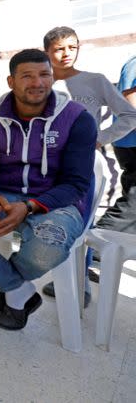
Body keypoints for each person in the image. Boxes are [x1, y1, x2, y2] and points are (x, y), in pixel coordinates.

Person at [0, 49, 96, 330]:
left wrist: (31, 206)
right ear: (11, 81)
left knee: (52, 238)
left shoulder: (77, 119)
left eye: (45, 75)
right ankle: (18, 289)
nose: (38, 83)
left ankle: (9, 285)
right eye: (27, 76)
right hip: (4, 195)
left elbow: (76, 183)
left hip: (57, 201)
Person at [40, 26, 136, 300]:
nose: (66, 53)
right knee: (53, 222)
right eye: (59, 48)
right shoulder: (41, 83)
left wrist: (99, 138)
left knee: (81, 224)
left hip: (83, 165)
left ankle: (79, 285)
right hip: (46, 166)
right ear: (47, 51)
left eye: (72, 47)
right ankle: (60, 276)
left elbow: (130, 115)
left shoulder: (95, 81)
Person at [96, 54, 136, 235]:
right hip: (131, 140)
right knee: (133, 199)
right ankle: (101, 241)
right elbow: (131, 104)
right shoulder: (134, 64)